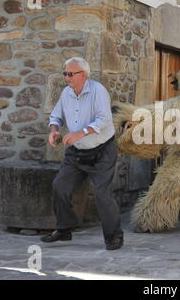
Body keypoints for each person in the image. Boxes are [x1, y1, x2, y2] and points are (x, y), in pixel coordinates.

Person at [40, 57, 123, 250]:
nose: (67, 77)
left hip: (102, 151)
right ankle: (64, 229)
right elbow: (56, 116)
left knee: (102, 194)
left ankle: (114, 236)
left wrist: (80, 132)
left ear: (83, 75)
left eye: (71, 74)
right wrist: (54, 130)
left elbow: (104, 120)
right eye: (65, 73)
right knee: (60, 186)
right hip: (76, 153)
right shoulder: (66, 93)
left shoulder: (98, 90)